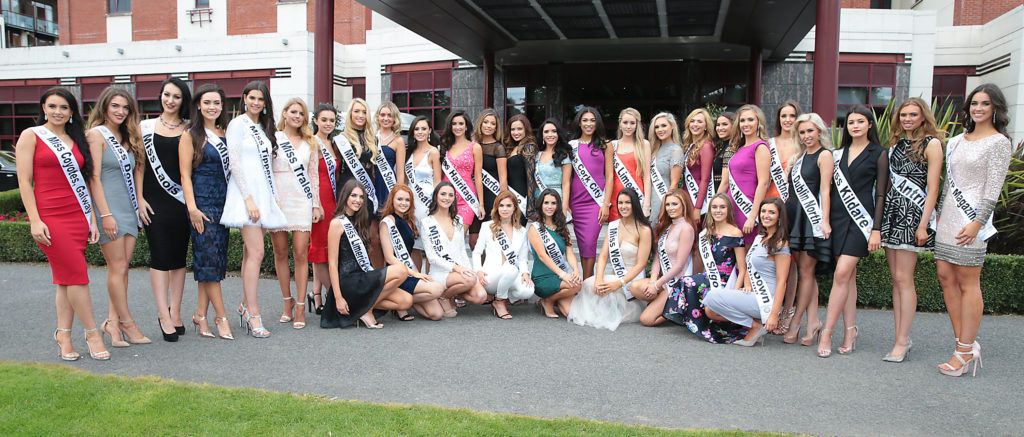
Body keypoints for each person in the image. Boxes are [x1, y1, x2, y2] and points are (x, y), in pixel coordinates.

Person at [18, 87, 107, 361]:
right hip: (50, 216)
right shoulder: (31, 136)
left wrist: (91, 217)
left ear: (71, 112)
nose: (58, 112)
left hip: (77, 214)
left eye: (64, 108)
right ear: (43, 107)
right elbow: (24, 181)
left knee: (66, 280)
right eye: (53, 106)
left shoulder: (75, 138)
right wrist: (34, 220)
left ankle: (63, 335)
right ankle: (92, 332)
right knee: (77, 275)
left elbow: (86, 180)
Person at [935, 84, 1012, 377]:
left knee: (968, 283)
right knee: (945, 277)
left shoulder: (999, 143)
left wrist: (978, 222)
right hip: (949, 218)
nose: (978, 108)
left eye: (985, 104)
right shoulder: (956, 140)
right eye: (974, 103)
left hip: (972, 221)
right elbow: (946, 183)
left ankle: (964, 350)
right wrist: (940, 216)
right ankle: (963, 343)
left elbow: (992, 190)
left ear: (995, 109)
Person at [817, 105, 889, 358]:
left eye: (861, 121)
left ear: (870, 124)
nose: (855, 126)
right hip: (837, 219)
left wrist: (876, 229)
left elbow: (881, 194)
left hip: (862, 222)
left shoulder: (879, 153)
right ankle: (850, 330)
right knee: (848, 279)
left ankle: (827, 331)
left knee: (842, 273)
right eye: (851, 122)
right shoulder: (837, 154)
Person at [220, 80, 287, 338]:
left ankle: (244, 305)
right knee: (257, 253)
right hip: (245, 195)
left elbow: (268, 168)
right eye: (252, 98)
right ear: (245, 98)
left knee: (252, 255)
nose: (256, 103)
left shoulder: (264, 128)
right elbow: (235, 162)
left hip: (263, 193)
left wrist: (273, 198)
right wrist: (248, 199)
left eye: (261, 99)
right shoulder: (237, 125)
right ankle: (253, 312)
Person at [85, 86, 151, 347]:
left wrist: (140, 199)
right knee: (117, 267)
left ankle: (112, 325)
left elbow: (138, 171)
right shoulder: (95, 135)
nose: (121, 112)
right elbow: (94, 178)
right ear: (104, 107)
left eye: (125, 107)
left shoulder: (129, 137)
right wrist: (106, 214)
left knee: (124, 270)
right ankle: (127, 323)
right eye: (115, 106)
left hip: (128, 207)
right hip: (108, 208)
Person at [880, 97, 943, 362]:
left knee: (904, 278)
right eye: (903, 115)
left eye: (913, 115)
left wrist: (923, 224)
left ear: (923, 117)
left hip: (912, 216)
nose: (907, 119)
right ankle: (901, 336)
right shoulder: (894, 144)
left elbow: (933, 188)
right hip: (892, 214)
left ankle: (902, 341)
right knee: (896, 278)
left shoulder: (932, 144)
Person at [178, 83, 233, 340]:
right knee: (209, 261)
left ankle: (200, 313)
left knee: (212, 263)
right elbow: (185, 176)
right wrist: (192, 208)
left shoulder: (225, 133)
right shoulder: (190, 135)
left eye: (217, 103)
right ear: (198, 105)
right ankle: (221, 317)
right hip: (202, 204)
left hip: (224, 204)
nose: (212, 107)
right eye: (208, 102)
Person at [139, 77, 191, 342]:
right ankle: (162, 314)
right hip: (153, 201)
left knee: (179, 259)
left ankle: (177, 311)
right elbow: (139, 165)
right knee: (160, 256)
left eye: (176, 96)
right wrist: (139, 198)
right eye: (166, 95)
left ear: (183, 101)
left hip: (181, 202)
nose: (170, 100)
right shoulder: (145, 127)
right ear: (160, 96)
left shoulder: (189, 128)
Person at [322, 180, 412, 329]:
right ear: (345, 196)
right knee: (401, 270)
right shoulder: (337, 223)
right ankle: (367, 311)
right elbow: (332, 264)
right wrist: (338, 298)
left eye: (361, 197)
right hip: (348, 281)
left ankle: (360, 309)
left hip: (362, 276)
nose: (358, 200)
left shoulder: (360, 221)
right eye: (354, 196)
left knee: (406, 301)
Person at [703, 197, 792, 347]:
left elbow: (782, 282)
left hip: (765, 300)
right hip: (752, 294)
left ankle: (756, 326)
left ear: (779, 217)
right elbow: (750, 266)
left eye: (771, 212)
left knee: (711, 296)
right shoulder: (760, 238)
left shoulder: (780, 244)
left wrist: (774, 315)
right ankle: (754, 325)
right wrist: (748, 284)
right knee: (710, 310)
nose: (766, 215)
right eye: (763, 211)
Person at [663, 193, 748, 343]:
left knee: (688, 282)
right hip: (709, 276)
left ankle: (695, 321)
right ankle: (694, 321)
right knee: (687, 281)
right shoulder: (707, 231)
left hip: (725, 280)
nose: (718, 210)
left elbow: (742, 267)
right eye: (714, 207)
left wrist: (735, 290)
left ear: (728, 210)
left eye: (722, 207)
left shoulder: (735, 233)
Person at [781, 113, 833, 346]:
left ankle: (797, 321)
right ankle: (813, 322)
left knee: (806, 272)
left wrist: (824, 220)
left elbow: (825, 191)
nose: (806, 136)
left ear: (819, 131)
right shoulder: (799, 157)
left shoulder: (825, 156)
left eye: (810, 131)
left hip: (810, 219)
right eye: (802, 132)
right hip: (794, 218)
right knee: (805, 273)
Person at [270, 98, 321, 330]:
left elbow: (313, 176)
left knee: (300, 253)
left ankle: (301, 305)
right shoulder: (273, 139)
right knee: (280, 253)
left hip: (301, 200)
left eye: (301, 113)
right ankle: (287, 303)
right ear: (285, 113)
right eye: (293, 112)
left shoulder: (311, 143)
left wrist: (316, 205)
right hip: (279, 199)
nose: (297, 116)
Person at [569, 188, 652, 331]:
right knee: (589, 283)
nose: (623, 206)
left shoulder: (644, 230)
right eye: (620, 203)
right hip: (614, 277)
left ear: (635, 204)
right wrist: (599, 279)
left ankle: (616, 309)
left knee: (610, 296)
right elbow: (603, 256)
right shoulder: (614, 226)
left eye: (627, 202)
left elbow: (641, 264)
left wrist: (619, 283)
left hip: (631, 281)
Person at [379, 184, 445, 321]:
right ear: (392, 200)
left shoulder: (409, 221)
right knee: (437, 289)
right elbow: (389, 257)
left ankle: (403, 302)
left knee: (436, 314)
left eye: (407, 200)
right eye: (400, 199)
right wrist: (415, 273)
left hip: (408, 270)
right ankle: (399, 302)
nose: (403, 203)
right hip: (397, 274)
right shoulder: (388, 222)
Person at [422, 182, 489, 315]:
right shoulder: (427, 223)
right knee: (469, 280)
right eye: (443, 194)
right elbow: (432, 257)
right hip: (441, 272)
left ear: (454, 198)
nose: (447, 198)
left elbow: (461, 250)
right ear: (436, 196)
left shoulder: (458, 220)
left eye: (450, 195)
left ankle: (448, 295)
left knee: (481, 296)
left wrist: (469, 270)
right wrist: (458, 269)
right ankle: (444, 296)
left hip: (460, 270)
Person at [636, 188, 696, 326]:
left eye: (674, 204)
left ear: (684, 205)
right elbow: (657, 257)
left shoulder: (686, 228)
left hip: (677, 282)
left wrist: (656, 285)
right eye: (667, 204)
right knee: (634, 287)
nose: (670, 208)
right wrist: (652, 281)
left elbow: (680, 265)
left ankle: (677, 311)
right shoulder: (668, 227)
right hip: (664, 280)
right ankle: (662, 303)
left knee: (646, 320)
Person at [767, 101, 802, 335]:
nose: (787, 120)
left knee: (791, 263)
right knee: (770, 259)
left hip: (794, 208)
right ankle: (770, 309)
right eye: (783, 116)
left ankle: (788, 310)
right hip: (770, 207)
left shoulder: (803, 144)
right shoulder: (769, 144)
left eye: (792, 116)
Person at [472, 191, 535, 319]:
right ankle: (500, 301)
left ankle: (504, 294)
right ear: (496, 208)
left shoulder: (522, 231)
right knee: (511, 268)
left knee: (528, 290)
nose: (504, 209)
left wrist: (525, 274)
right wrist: (478, 271)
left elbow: (522, 259)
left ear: (514, 209)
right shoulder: (487, 226)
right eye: (501, 205)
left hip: (510, 275)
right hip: (490, 276)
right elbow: (477, 252)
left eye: (508, 206)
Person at [568, 107, 615, 278]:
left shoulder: (605, 144)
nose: (588, 124)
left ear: (598, 123)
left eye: (592, 120)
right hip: (576, 201)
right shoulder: (570, 146)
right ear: (579, 123)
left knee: (590, 241)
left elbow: (609, 176)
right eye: (585, 120)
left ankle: (587, 282)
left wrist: (606, 204)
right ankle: (587, 281)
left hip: (596, 202)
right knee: (582, 245)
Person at [717, 104, 772, 246]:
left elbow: (763, 183)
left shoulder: (760, 147)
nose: (746, 124)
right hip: (730, 207)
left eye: (750, 120)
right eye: (742, 121)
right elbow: (727, 181)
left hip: (746, 207)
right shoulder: (738, 148)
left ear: (758, 122)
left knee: (746, 251)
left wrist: (753, 216)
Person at [528, 189, 583, 318]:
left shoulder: (561, 227)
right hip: (543, 277)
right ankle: (547, 301)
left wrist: (575, 270)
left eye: (553, 203)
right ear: (541, 205)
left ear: (557, 205)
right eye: (546, 203)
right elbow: (542, 255)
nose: (549, 206)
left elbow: (570, 253)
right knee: (576, 286)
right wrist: (564, 275)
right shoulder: (534, 228)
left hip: (560, 277)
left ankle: (554, 299)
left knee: (570, 314)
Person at [308, 104, 340, 315]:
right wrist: (315, 204)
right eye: (324, 119)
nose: (328, 124)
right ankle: (331, 294)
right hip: (319, 202)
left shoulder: (335, 144)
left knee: (330, 248)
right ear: (316, 121)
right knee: (319, 248)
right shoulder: (312, 143)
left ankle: (316, 293)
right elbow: (310, 175)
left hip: (334, 200)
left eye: (332, 120)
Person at [404, 116, 443, 266]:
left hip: (427, 203)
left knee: (429, 245)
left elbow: (437, 181)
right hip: (411, 204)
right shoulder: (409, 152)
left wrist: (436, 206)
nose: (420, 132)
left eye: (423, 128)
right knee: (414, 245)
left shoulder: (433, 152)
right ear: (413, 132)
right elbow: (406, 181)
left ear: (429, 131)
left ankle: (430, 279)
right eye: (417, 129)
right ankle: (416, 278)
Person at [439, 111, 485, 229]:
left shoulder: (475, 147)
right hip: (446, 197)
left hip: (466, 198)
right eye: (454, 124)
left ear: (466, 126)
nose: (457, 127)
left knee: (458, 238)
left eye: (461, 123)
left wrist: (481, 204)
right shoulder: (444, 147)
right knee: (445, 237)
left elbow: (478, 177)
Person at [472, 109, 508, 241]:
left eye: (493, 123)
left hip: (492, 196)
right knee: (474, 241)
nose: (488, 126)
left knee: (492, 240)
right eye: (486, 122)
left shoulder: (498, 148)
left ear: (496, 127)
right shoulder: (473, 145)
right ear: (480, 124)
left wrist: (502, 201)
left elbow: (503, 177)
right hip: (474, 195)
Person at [608, 108, 650, 222]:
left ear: (637, 125)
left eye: (632, 123)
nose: (628, 126)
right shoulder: (612, 145)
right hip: (616, 197)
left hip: (637, 196)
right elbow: (609, 177)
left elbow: (646, 176)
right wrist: (606, 203)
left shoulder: (644, 145)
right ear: (620, 124)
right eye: (625, 122)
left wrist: (646, 204)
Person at [648, 112, 684, 224]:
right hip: (647, 199)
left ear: (672, 126)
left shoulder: (676, 150)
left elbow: (674, 184)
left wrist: (666, 204)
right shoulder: (652, 149)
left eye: (664, 125)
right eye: (657, 127)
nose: (660, 129)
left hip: (662, 197)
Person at [681, 108, 716, 218]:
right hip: (687, 196)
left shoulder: (706, 146)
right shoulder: (690, 145)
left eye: (699, 121)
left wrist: (698, 207)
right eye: (692, 121)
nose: (695, 124)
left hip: (697, 199)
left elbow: (705, 179)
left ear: (706, 126)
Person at [372, 101, 407, 211]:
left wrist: (398, 195)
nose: (386, 118)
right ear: (378, 117)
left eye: (389, 115)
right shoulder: (371, 137)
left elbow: (401, 173)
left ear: (394, 118)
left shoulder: (398, 141)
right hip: (371, 183)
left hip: (388, 184)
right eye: (382, 115)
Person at [503, 114, 537, 218]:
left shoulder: (529, 147)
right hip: (511, 196)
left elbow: (531, 177)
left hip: (523, 199)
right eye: (513, 129)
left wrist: (530, 207)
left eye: (519, 129)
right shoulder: (511, 148)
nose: (516, 132)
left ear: (526, 130)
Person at [534, 118, 572, 202]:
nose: (550, 134)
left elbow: (566, 184)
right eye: (546, 132)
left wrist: (565, 207)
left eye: (554, 131)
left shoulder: (564, 155)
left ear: (558, 134)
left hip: (556, 200)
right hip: (538, 200)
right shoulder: (537, 155)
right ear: (542, 135)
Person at [712, 112, 736, 192]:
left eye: (725, 124)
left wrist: (716, 201)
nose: (720, 128)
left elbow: (725, 182)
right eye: (718, 125)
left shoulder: (731, 148)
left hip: (724, 194)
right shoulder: (721, 147)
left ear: (734, 126)